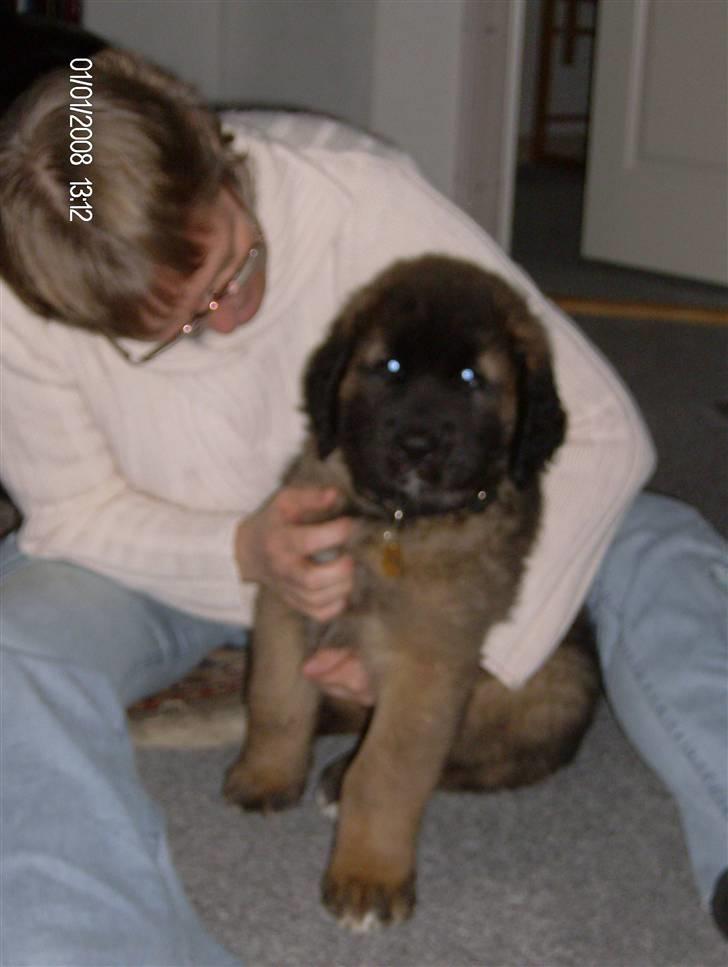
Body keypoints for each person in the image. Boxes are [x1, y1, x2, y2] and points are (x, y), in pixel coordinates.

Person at [0, 48, 723, 965]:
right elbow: (71, 513)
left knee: (659, 543)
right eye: (169, 329)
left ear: (223, 158)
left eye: (230, 270)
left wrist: (459, 659)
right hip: (166, 563)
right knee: (9, 646)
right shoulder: (22, 297)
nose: (222, 322)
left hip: (434, 551)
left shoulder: (356, 194)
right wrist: (242, 548)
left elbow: (602, 430)